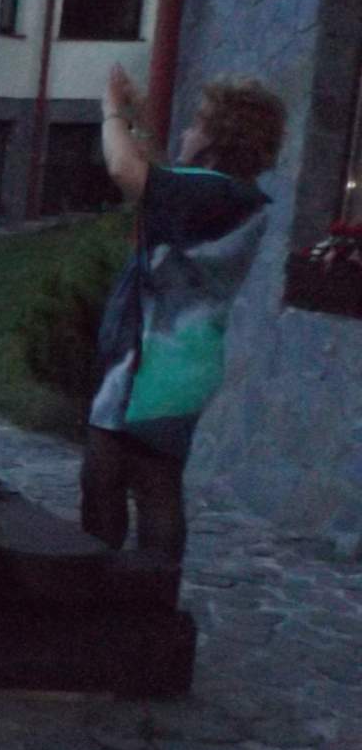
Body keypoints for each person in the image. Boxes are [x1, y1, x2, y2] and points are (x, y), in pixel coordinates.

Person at [82, 62, 286, 573]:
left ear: (217, 139)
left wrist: (111, 111)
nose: (187, 132)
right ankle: (156, 598)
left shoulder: (211, 194)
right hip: (185, 363)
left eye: (197, 123)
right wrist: (139, 119)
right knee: (158, 482)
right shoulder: (231, 197)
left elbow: (125, 171)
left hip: (151, 364)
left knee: (105, 479)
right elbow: (165, 181)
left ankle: (99, 591)